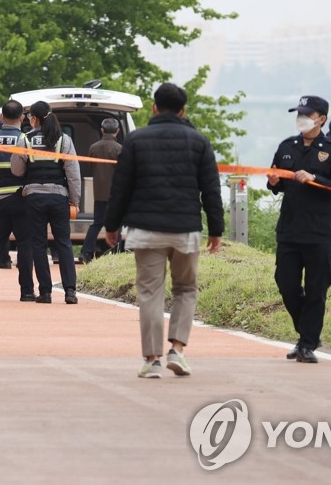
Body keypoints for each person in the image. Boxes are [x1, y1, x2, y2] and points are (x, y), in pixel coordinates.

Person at [103, 83, 224, 379]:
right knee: (186, 289)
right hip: (185, 230)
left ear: (154, 107)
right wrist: (216, 229)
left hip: (145, 230)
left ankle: (153, 360)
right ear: (183, 111)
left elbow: (121, 187)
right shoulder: (199, 141)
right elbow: (211, 189)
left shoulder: (136, 140)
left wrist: (111, 224)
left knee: (150, 293)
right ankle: (178, 351)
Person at [267, 95, 331, 364]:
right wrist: (274, 180)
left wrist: (316, 179)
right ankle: (307, 333)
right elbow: (275, 183)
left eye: (307, 114)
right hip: (290, 229)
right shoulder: (286, 146)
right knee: (286, 283)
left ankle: (306, 343)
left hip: (319, 230)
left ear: (321, 119)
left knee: (317, 288)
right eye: (299, 114)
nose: (301, 118)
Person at [11, 100, 81, 304]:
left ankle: (46, 292)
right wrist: (74, 201)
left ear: (34, 119)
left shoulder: (26, 140)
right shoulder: (64, 140)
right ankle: (70, 291)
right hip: (59, 198)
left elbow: (16, 170)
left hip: (34, 198)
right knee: (63, 243)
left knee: (38, 244)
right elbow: (73, 173)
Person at [0, 100, 42, 301]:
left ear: (1, 117)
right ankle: (27, 291)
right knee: (25, 244)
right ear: (22, 117)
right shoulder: (26, 138)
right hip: (22, 199)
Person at [79, 117, 123, 263]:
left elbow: (91, 168)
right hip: (115, 195)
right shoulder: (119, 149)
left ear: (102, 130)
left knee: (97, 223)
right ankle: (115, 253)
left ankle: (86, 252)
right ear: (117, 131)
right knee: (117, 224)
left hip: (99, 194)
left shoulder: (93, 147)